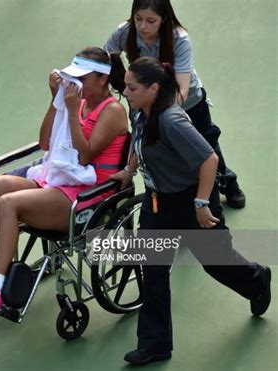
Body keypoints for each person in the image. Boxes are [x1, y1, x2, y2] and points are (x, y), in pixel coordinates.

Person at [0, 47, 129, 310]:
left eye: (81, 79)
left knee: (9, 204)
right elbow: (45, 142)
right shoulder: (78, 102)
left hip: (87, 196)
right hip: (60, 182)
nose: (75, 85)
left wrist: (71, 112)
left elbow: (84, 157)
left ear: (102, 79)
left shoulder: (113, 110)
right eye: (73, 79)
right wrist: (55, 101)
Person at [110, 56, 271, 365]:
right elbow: (139, 143)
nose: (125, 92)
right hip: (157, 203)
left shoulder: (172, 120)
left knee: (215, 262)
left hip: (191, 201)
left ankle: (256, 279)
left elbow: (209, 160)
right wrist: (129, 171)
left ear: (153, 88)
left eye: (131, 87)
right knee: (153, 271)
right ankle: (155, 344)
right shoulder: (140, 111)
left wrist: (200, 204)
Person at [104, 0, 246, 208]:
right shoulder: (125, 32)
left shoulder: (179, 39)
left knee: (206, 147)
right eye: (138, 19)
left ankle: (228, 183)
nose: (143, 26)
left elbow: (182, 87)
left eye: (151, 21)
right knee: (147, 144)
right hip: (146, 105)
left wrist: (161, 115)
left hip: (188, 104)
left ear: (164, 20)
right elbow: (105, 57)